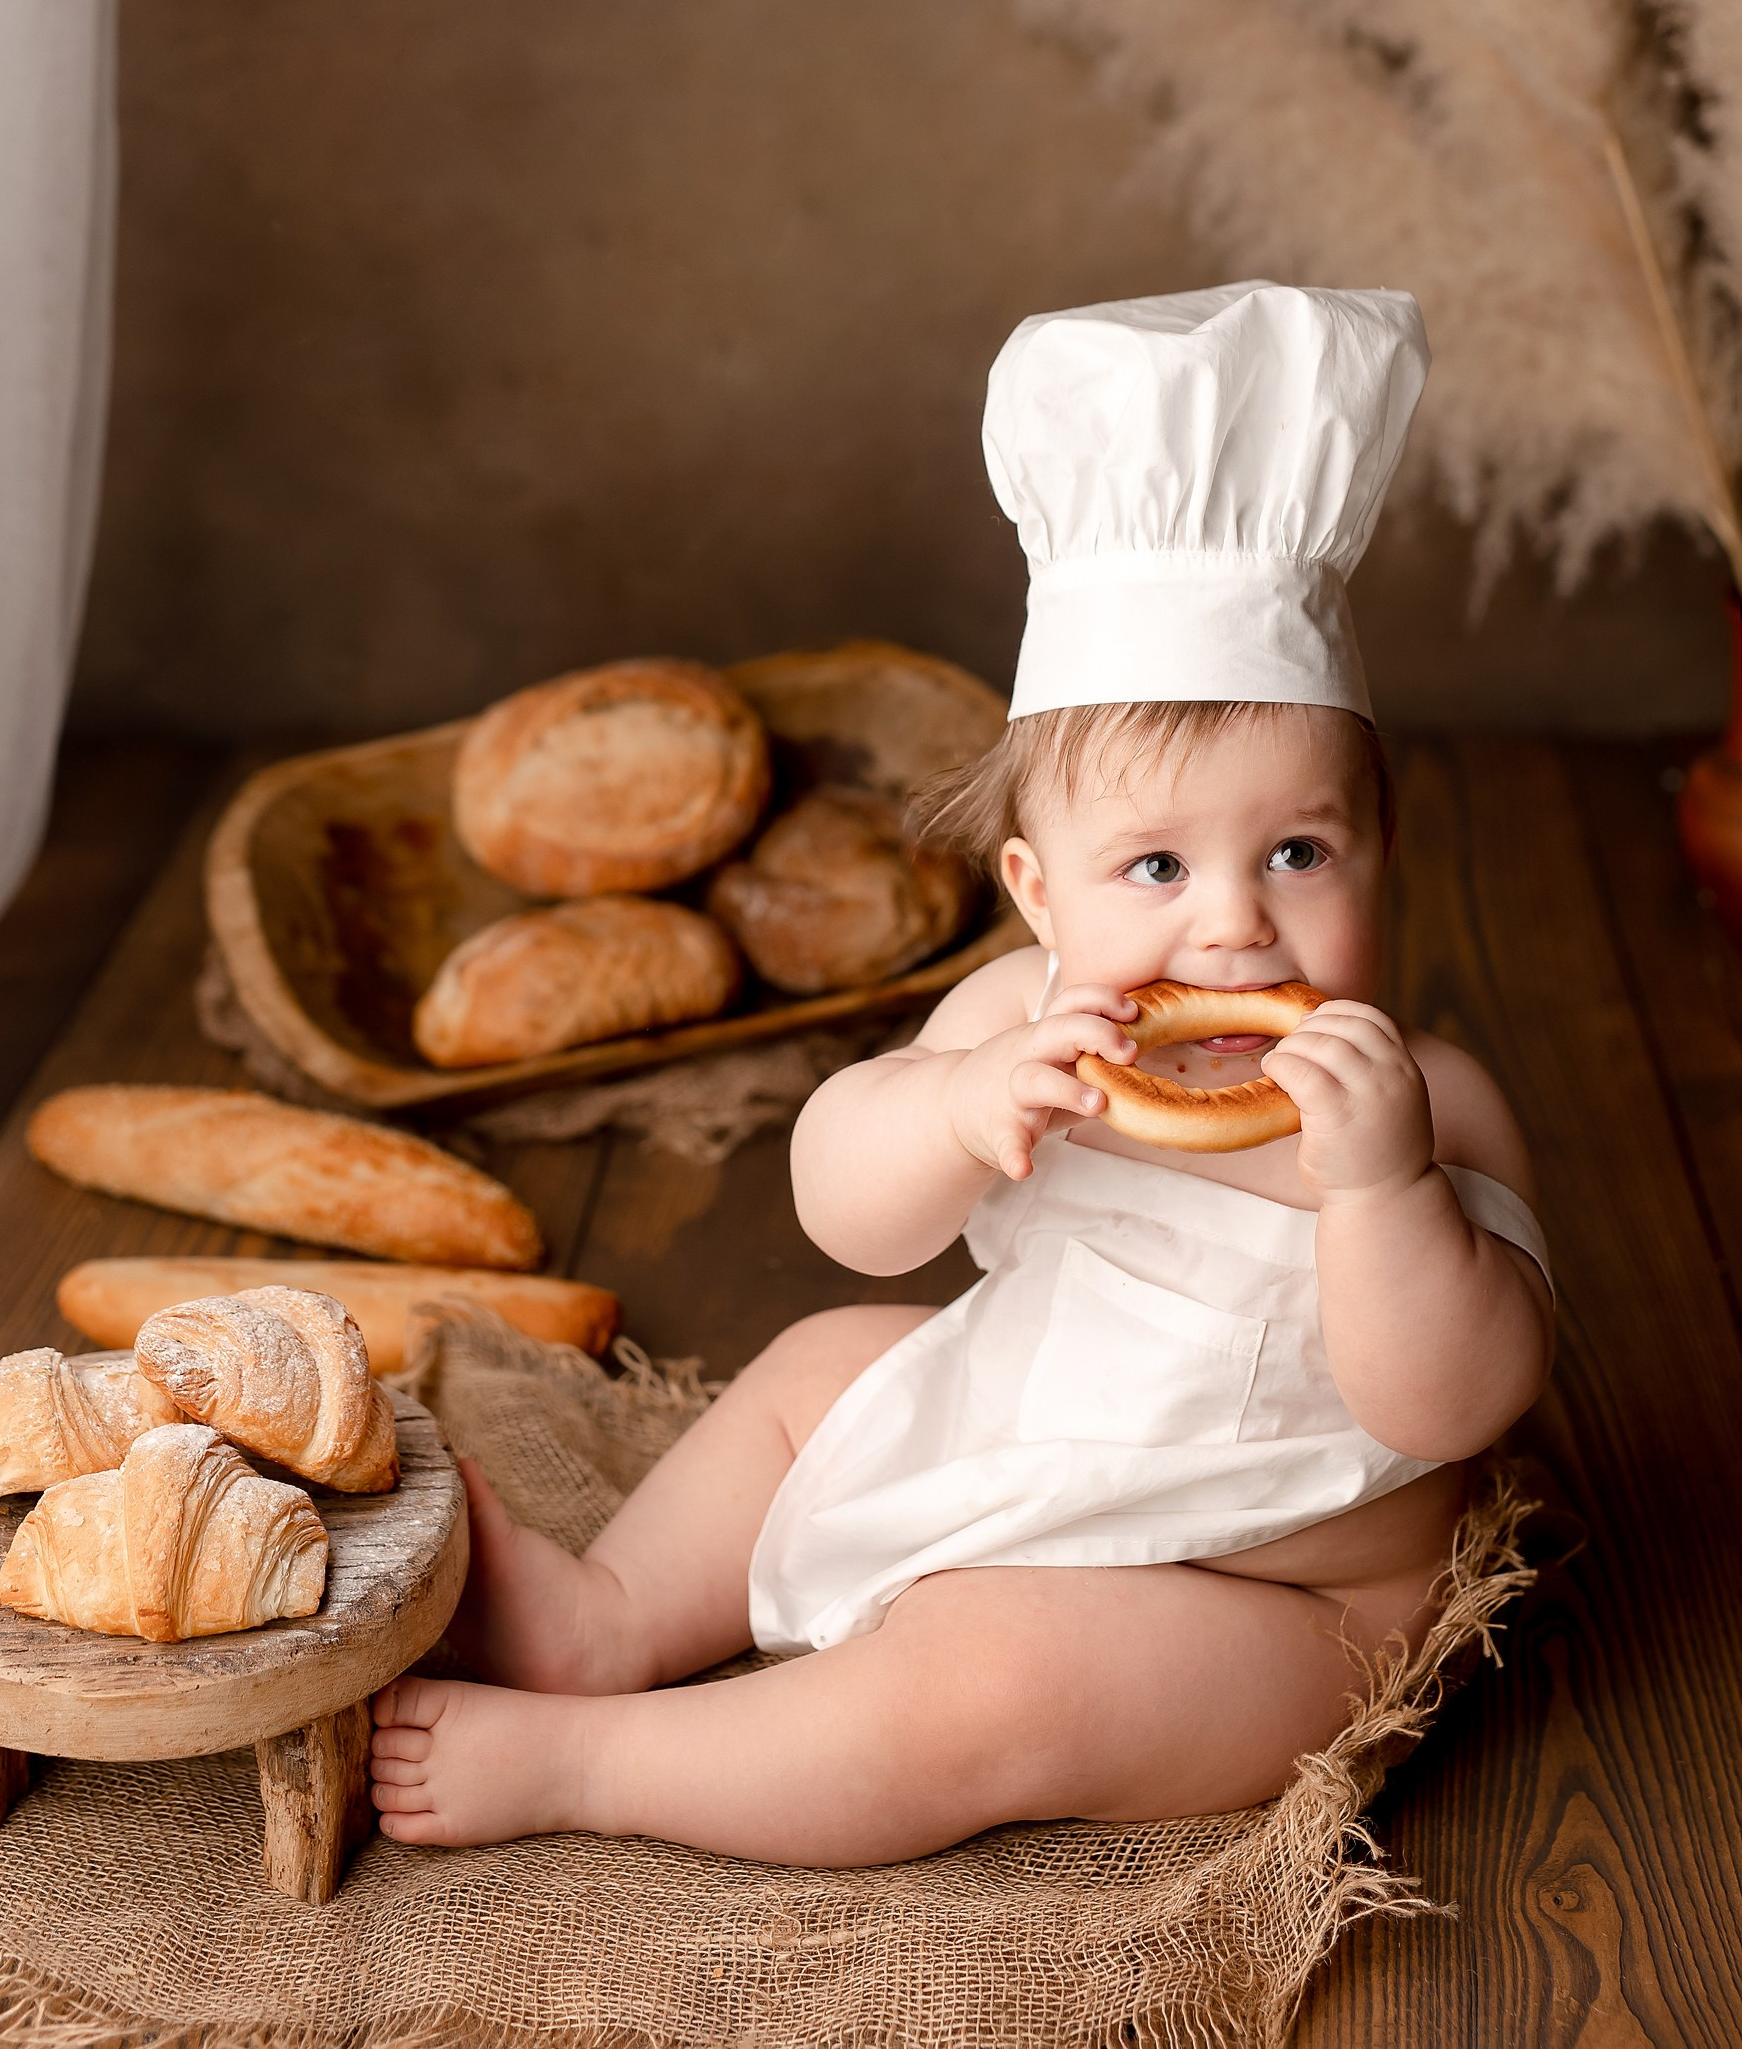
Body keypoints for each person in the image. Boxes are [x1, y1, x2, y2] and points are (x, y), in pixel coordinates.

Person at [371, 283, 1553, 1864]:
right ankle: (610, 1615)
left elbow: (1457, 1402)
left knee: (991, 1680)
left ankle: (598, 1762)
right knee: (814, 1369)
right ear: (1037, 892)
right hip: (1018, 1435)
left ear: (1380, 856)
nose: (1232, 925)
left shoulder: (1427, 1105)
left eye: (1297, 850)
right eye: (1152, 866)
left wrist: (1383, 1191)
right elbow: (848, 1211)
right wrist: (947, 1107)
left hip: (1287, 1600)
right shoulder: (1016, 1018)